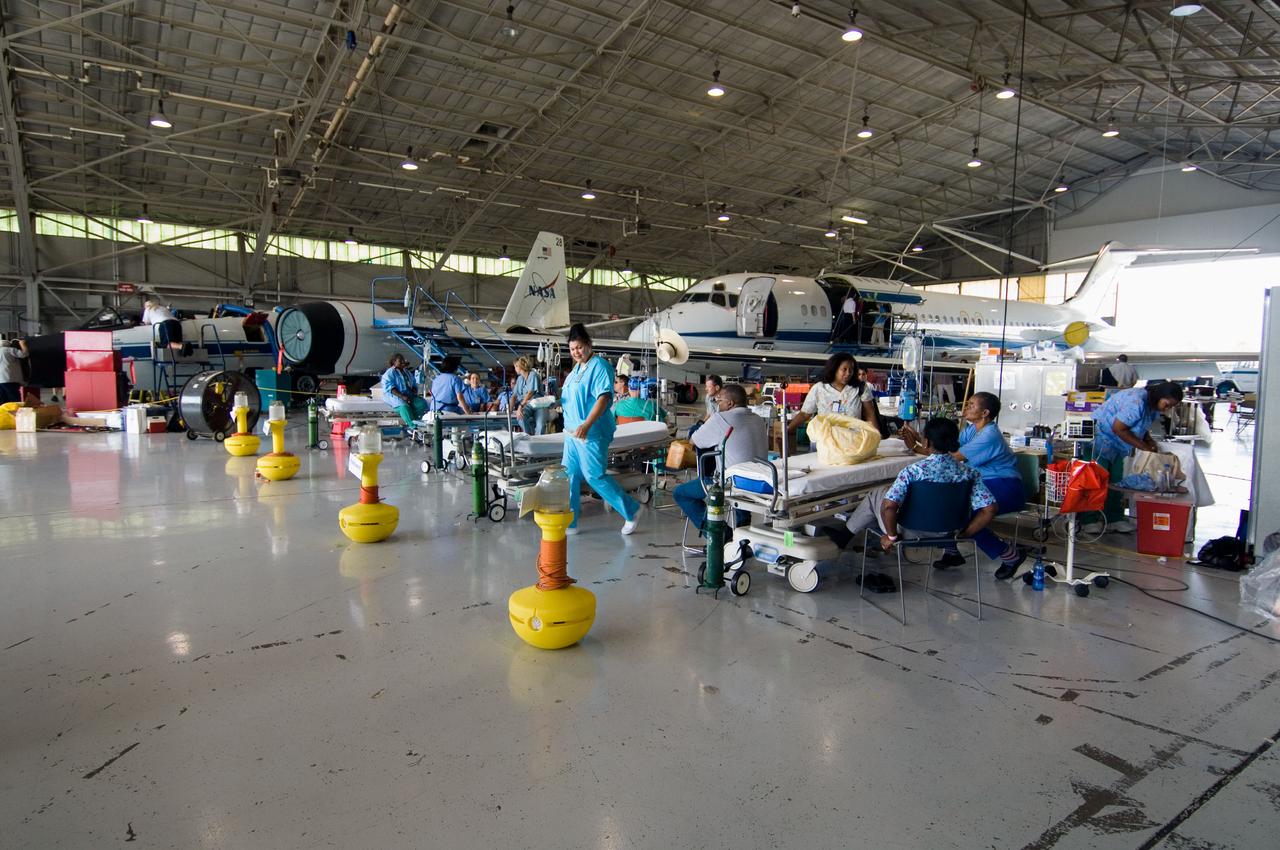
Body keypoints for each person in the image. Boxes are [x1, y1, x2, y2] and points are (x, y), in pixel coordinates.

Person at [899, 392, 1028, 578]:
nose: (966, 407)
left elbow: (952, 456)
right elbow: (948, 446)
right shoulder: (972, 429)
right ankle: (951, 551)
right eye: (967, 403)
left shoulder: (989, 435)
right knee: (947, 502)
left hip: (1005, 486)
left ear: (985, 413)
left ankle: (1010, 555)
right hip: (982, 483)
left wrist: (917, 447)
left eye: (971, 405)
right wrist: (922, 436)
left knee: (966, 514)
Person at [842, 418, 998, 553]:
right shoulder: (970, 473)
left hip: (910, 533)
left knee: (877, 495)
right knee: (887, 498)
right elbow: (989, 509)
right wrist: (964, 534)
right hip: (949, 533)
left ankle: (848, 536)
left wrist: (892, 536)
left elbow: (889, 507)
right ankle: (860, 537)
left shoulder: (913, 471)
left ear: (927, 441)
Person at [560, 323, 641, 535]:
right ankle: (570, 522)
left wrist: (586, 424)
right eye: (572, 349)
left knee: (594, 476)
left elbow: (604, 398)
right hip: (571, 435)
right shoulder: (576, 370)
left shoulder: (600, 366)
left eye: (578, 347)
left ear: (588, 344)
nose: (576, 352)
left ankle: (631, 510)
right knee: (569, 477)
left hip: (591, 433)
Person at [1086, 381, 1184, 533]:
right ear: (1160, 396)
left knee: (1117, 481)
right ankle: (1088, 519)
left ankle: (1113, 518)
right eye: (1167, 404)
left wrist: (1149, 441)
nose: (1167, 408)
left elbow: (1141, 426)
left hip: (1116, 445)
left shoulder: (1152, 406)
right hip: (1100, 440)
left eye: (1171, 406)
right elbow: (1119, 428)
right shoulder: (1136, 401)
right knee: (1096, 480)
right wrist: (1144, 448)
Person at [672, 383, 768, 534]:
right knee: (741, 498)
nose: (717, 404)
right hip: (759, 480)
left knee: (681, 493)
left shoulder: (722, 419)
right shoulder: (758, 419)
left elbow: (694, 441)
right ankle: (742, 538)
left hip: (731, 483)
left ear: (730, 403)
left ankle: (718, 536)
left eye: (720, 401)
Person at [788, 353, 878, 439]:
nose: (848, 373)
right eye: (844, 369)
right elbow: (804, 414)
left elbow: (870, 414)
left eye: (851, 370)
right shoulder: (819, 389)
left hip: (853, 441)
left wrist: (876, 437)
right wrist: (787, 430)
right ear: (835, 369)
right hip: (825, 441)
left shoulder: (860, 388)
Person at [380, 353, 428, 426]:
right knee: (404, 407)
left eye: (403, 360)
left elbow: (413, 383)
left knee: (422, 403)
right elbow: (391, 388)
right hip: (395, 396)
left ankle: (414, 419)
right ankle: (412, 425)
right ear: (394, 362)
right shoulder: (389, 373)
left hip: (408, 395)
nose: (403, 362)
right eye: (400, 361)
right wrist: (403, 397)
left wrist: (414, 391)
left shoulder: (406, 372)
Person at [513, 356, 545, 434]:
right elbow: (514, 395)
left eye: (515, 367)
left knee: (540, 425)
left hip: (538, 405)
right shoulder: (520, 379)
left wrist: (520, 406)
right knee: (520, 417)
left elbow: (531, 392)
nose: (515, 369)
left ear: (519, 366)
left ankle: (539, 442)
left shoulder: (533, 375)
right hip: (527, 405)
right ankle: (528, 437)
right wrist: (510, 410)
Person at [688, 375, 724, 441]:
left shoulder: (724, 401)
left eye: (708, 387)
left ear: (717, 387)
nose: (706, 389)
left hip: (719, 428)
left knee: (697, 435)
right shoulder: (709, 397)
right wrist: (702, 422)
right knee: (693, 429)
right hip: (711, 425)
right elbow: (709, 413)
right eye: (706, 386)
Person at [0, 337, 28, 404]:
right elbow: (24, 354)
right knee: (15, 400)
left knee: (3, 401)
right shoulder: (9, 350)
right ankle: (16, 413)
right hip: (10, 379)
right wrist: (22, 344)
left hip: (1, 380)